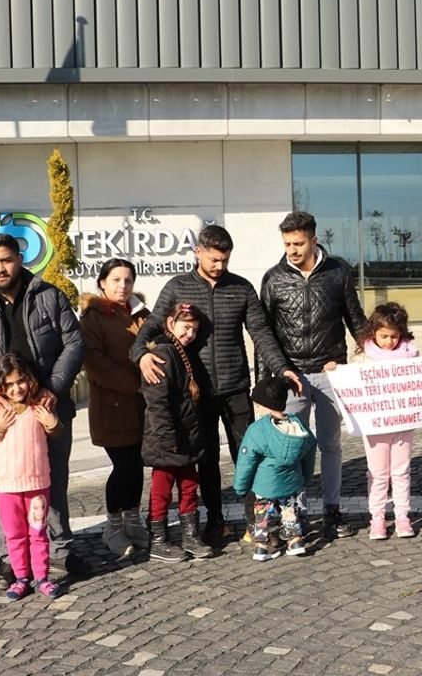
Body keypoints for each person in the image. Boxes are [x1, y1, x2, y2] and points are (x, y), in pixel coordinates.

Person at [133, 225, 297, 545]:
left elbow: (261, 334)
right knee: (205, 459)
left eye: (225, 259)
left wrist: (284, 369)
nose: (220, 266)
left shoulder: (241, 288)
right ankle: (215, 521)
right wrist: (140, 354)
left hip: (236, 388)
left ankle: (257, 523)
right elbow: (150, 327)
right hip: (196, 392)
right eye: (214, 259)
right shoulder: (177, 287)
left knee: (250, 455)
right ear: (198, 252)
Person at [0, 233, 85, 587]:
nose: (0, 268)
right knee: (4, 489)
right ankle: (12, 560)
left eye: (6, 260)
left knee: (51, 482)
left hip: (45, 409)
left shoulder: (49, 296)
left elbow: (74, 342)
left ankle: (57, 554)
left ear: (19, 258)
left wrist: (53, 388)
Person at [259, 212, 367, 540]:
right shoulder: (274, 278)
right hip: (290, 378)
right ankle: (297, 513)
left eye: (298, 243)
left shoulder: (338, 272)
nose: (292, 249)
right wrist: (265, 390)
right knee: (294, 448)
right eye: (287, 244)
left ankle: (333, 511)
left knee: (330, 446)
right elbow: (264, 335)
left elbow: (356, 319)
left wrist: (383, 355)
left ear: (313, 240)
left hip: (330, 373)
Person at [344, 302, 422, 540]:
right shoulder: (363, 358)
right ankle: (377, 518)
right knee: (377, 473)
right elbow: (350, 382)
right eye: (384, 336)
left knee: (401, 470)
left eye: (394, 336)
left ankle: (403, 516)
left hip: (403, 422)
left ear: (402, 333)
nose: (389, 341)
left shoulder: (411, 354)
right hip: (375, 424)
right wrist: (335, 370)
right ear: (372, 332)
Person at [80, 258, 150, 559]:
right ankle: (113, 524)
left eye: (128, 280)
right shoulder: (93, 317)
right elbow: (95, 364)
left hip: (141, 405)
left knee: (136, 465)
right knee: (123, 466)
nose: (122, 286)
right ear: (102, 283)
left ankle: (133, 518)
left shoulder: (141, 313)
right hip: (112, 405)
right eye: (116, 280)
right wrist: (133, 384)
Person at [0, 352, 64, 600]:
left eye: (21, 381)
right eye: (10, 384)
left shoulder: (38, 406)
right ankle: (20, 578)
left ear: (29, 380)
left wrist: (51, 421)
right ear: (0, 386)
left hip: (37, 482)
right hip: (7, 485)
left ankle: (42, 577)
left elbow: (56, 432)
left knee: (38, 532)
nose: (17, 388)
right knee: (15, 535)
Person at [140, 302, 215, 562]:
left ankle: (190, 535)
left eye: (194, 330)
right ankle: (158, 540)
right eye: (186, 328)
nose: (190, 334)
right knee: (162, 489)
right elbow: (156, 402)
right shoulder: (163, 353)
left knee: (189, 485)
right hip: (167, 437)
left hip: (187, 436)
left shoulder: (182, 352)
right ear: (171, 323)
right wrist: (167, 437)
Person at [233, 376, 317, 561]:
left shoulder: (257, 430)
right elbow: (310, 449)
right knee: (289, 510)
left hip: (265, 484)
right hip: (291, 482)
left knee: (261, 515)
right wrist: (306, 477)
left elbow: (246, 462)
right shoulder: (298, 425)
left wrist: (240, 487)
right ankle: (295, 541)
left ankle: (261, 548)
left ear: (264, 404)